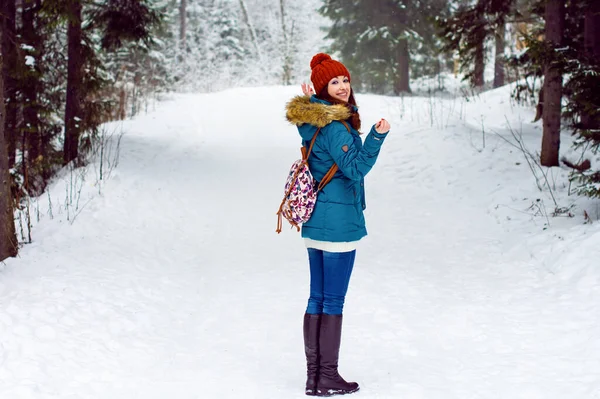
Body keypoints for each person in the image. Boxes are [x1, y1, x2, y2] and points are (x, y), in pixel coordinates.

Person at [285, 53, 390, 397]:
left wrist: (311, 98)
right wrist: (375, 138)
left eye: (345, 80)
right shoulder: (335, 126)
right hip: (338, 223)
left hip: (315, 224)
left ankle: (314, 377)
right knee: (333, 301)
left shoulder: (313, 120)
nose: (343, 87)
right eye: (334, 82)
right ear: (323, 88)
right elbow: (355, 168)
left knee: (317, 297)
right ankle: (326, 376)